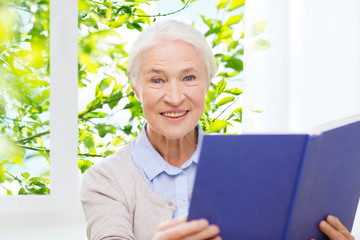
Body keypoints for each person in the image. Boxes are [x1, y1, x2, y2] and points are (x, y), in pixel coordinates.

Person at [80, 20, 354, 240]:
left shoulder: (249, 165)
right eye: (157, 80)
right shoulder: (105, 181)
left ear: (208, 82)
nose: (174, 97)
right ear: (134, 87)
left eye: (189, 78)